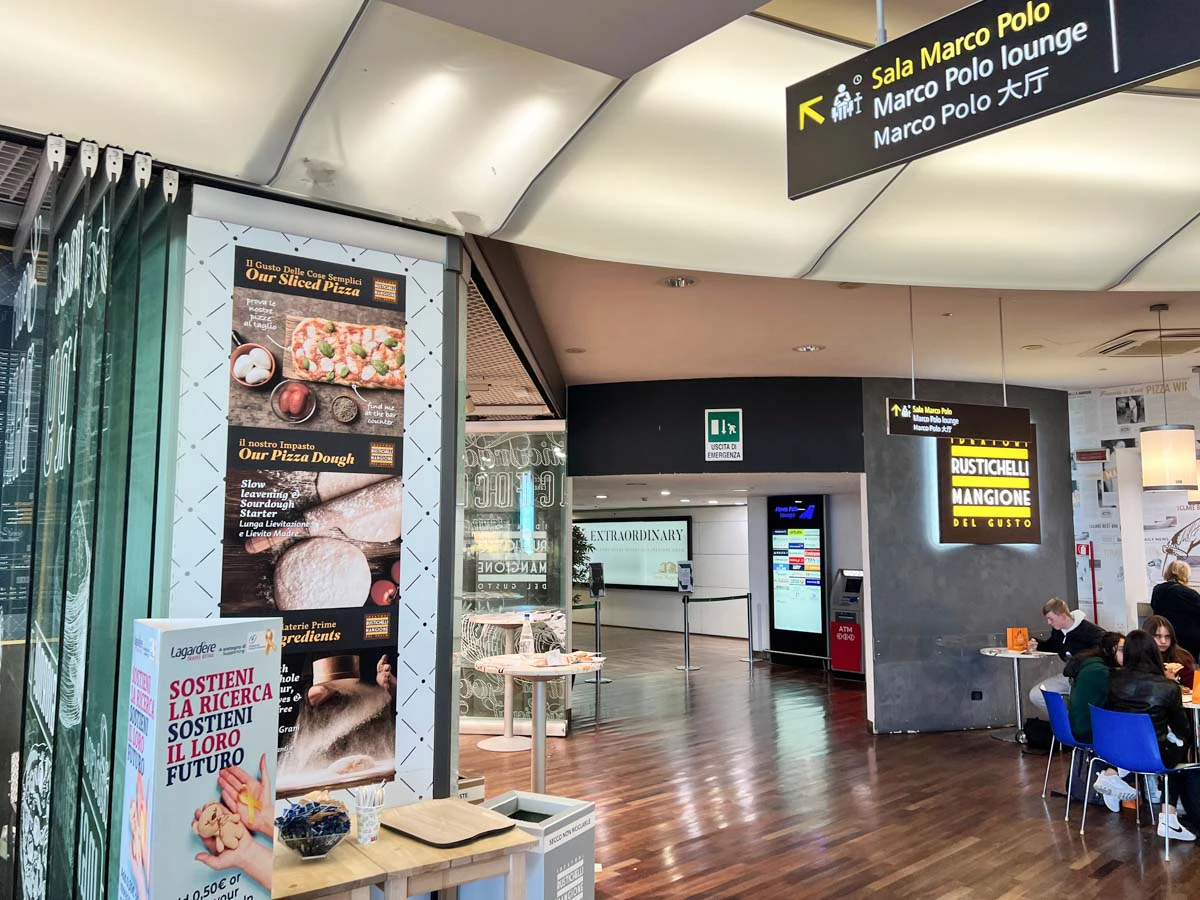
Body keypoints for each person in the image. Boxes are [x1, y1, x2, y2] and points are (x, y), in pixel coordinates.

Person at [1103, 629, 1200, 841]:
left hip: (1116, 752)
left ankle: (1112, 772)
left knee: (1168, 744)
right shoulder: (1167, 687)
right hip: (1154, 756)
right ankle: (1168, 814)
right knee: (1180, 747)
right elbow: (1182, 729)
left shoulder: (1113, 680)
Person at [1028, 598, 1106, 717]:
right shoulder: (1058, 631)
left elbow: (1105, 650)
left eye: (1051, 619)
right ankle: (1067, 720)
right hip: (1069, 676)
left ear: (1063, 616)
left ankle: (1074, 719)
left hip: (1087, 678)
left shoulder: (1091, 632)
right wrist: (1038, 644)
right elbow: (1053, 645)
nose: (1049, 622)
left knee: (1079, 700)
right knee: (1036, 695)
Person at [1151, 561, 1200, 659]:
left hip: (1164, 636)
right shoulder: (1189, 594)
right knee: (1189, 665)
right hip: (1188, 641)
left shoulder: (1157, 590)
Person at [1144, 614, 1197, 689]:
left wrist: (1174, 681)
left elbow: (1195, 686)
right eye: (1158, 636)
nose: (1163, 641)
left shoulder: (1182, 658)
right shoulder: (1140, 659)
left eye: (1167, 637)